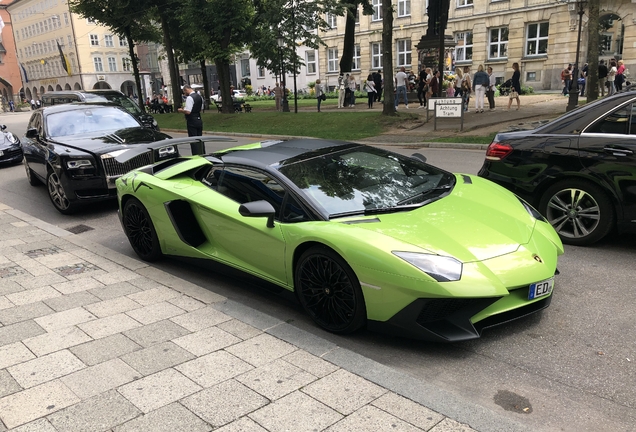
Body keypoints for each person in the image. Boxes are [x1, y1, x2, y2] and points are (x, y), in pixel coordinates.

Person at [177, 84, 205, 155]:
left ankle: (196, 154)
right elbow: (201, 109)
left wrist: (181, 110)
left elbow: (188, 111)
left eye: (184, 92)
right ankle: (202, 153)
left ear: (186, 90)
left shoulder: (189, 98)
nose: (184, 94)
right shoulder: (200, 97)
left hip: (192, 120)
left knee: (193, 139)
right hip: (198, 118)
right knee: (200, 138)